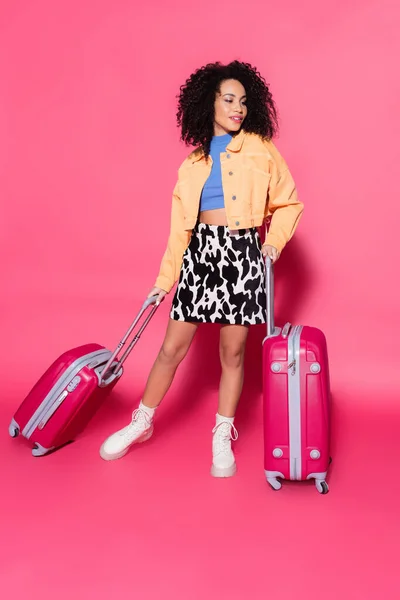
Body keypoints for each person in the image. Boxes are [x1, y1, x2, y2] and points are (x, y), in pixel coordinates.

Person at [100, 60, 304, 476]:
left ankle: (221, 434)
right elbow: (179, 233)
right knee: (171, 349)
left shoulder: (260, 149)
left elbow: (289, 203)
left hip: (244, 254)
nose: (238, 108)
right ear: (207, 103)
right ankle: (141, 422)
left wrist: (271, 243)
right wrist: (163, 281)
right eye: (228, 99)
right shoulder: (191, 166)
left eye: (243, 102)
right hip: (201, 256)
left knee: (232, 353)